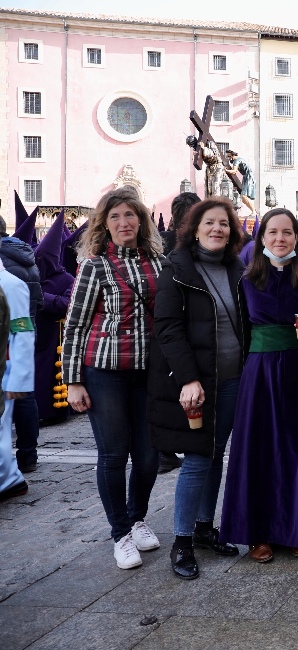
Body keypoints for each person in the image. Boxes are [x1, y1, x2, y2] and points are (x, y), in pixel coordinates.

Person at [221, 208, 298, 562]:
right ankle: (258, 533)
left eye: (287, 232)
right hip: (261, 375)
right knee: (261, 451)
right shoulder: (246, 278)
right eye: (273, 232)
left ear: (297, 238)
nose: (280, 238)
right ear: (262, 238)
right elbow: (239, 329)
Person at [63, 187, 164, 569]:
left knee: (149, 456)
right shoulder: (95, 266)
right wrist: (73, 381)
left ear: (141, 220)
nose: (124, 222)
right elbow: (75, 325)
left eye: (130, 215)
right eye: (115, 216)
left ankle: (137, 518)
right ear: (104, 224)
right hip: (104, 371)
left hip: (148, 372)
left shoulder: (157, 262)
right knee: (114, 453)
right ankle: (120, 533)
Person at [149, 198, 245, 579]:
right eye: (210, 223)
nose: (217, 229)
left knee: (216, 452)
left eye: (224, 223)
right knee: (197, 458)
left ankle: (205, 527)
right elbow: (167, 327)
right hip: (197, 383)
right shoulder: (176, 269)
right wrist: (188, 378)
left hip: (232, 379)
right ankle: (182, 541)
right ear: (195, 229)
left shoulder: (237, 268)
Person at [154, 192, 202, 475]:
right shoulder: (191, 246)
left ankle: (166, 451)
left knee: (169, 389)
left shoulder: (160, 241)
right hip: (186, 323)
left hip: (162, 324)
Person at [1, 216, 42, 473]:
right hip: (27, 328)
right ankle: (28, 454)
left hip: (7, 334)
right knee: (25, 394)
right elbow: (39, 298)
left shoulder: (4, 263)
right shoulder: (26, 257)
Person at [30, 213, 75, 432]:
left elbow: (69, 304)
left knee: (50, 375)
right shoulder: (33, 276)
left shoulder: (67, 279)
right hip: (36, 332)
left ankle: (53, 412)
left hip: (55, 335)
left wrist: (43, 298)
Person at [0, 262, 31, 502]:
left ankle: (9, 479)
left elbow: (22, 331)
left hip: (6, 367)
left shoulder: (11, 284)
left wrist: (20, 378)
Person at [186, 136, 227, 200]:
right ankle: (210, 204)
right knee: (209, 190)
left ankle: (216, 203)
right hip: (209, 168)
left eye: (191, 145)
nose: (191, 147)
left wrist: (204, 148)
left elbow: (214, 156)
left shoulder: (210, 143)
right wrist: (196, 156)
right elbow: (196, 161)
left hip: (217, 167)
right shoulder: (197, 148)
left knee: (216, 188)